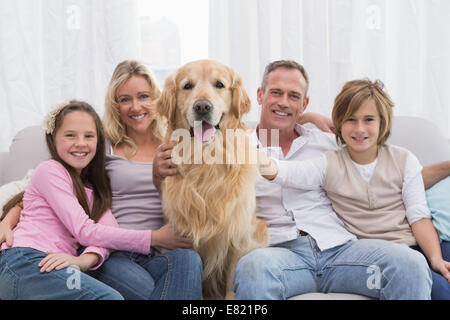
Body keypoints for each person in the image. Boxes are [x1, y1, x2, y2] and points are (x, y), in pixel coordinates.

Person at [154, 60, 441, 300]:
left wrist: (316, 120)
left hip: (338, 249)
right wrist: (158, 172)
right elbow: (192, 184)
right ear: (259, 96)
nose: (283, 102)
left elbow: (398, 172)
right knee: (252, 269)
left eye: (293, 96)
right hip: (281, 256)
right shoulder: (232, 146)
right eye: (275, 93)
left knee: (411, 264)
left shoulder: (328, 143)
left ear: (304, 103)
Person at [0, 60, 203, 300]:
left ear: (157, 97)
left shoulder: (178, 142)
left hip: (150, 249)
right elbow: (36, 190)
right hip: (116, 252)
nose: (135, 106)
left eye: (144, 96)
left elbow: (98, 222)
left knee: (189, 259)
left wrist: (84, 260)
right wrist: (7, 220)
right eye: (125, 99)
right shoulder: (98, 148)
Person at [259, 79, 450, 300]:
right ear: (339, 124)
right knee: (441, 292)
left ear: (382, 123)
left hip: (415, 246)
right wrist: (263, 161)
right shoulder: (328, 161)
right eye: (350, 120)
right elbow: (290, 172)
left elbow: (418, 215)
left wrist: (435, 258)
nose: (359, 129)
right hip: (370, 257)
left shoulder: (404, 159)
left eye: (368, 120)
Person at [0, 100, 155, 299]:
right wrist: (154, 237)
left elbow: (108, 234)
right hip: (23, 259)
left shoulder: (94, 194)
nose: (80, 143)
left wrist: (86, 260)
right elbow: (84, 230)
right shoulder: (49, 170)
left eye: (88, 136)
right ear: (53, 139)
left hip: (54, 265)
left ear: (98, 143)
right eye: (70, 135)